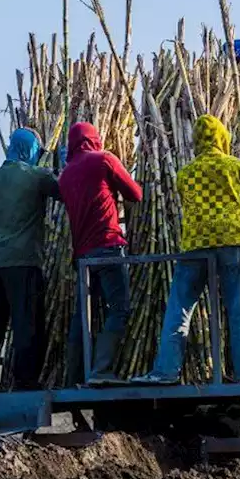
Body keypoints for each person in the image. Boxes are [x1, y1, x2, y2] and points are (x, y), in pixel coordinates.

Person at [132, 115, 240, 384]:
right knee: (237, 312)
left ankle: (166, 371)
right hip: (230, 242)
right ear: (222, 138)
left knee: (179, 309)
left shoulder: (185, 173)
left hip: (195, 246)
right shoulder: (236, 167)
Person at [58, 121, 143, 386]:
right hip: (108, 248)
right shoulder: (104, 160)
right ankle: (101, 371)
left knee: (82, 315)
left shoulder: (66, 175)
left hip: (82, 256)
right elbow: (135, 194)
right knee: (119, 309)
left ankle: (73, 376)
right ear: (94, 139)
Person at [0, 127, 58, 391]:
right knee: (27, 324)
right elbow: (66, 192)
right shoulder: (37, 177)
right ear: (32, 151)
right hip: (23, 262)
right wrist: (65, 164)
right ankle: (25, 382)